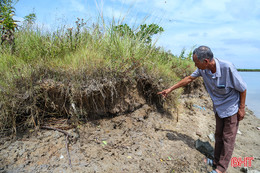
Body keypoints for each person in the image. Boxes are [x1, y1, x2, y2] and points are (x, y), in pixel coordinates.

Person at [158, 46, 247, 173]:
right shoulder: (203, 70)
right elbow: (189, 79)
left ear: (205, 61)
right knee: (218, 135)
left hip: (232, 107)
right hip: (219, 107)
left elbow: (243, 89)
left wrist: (242, 108)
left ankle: (221, 168)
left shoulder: (227, 67)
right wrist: (170, 89)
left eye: (196, 62)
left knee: (228, 138)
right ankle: (216, 161)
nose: (195, 65)